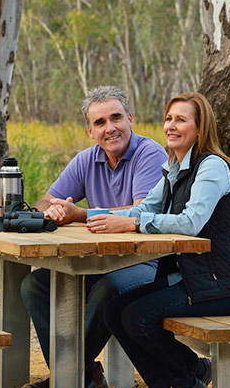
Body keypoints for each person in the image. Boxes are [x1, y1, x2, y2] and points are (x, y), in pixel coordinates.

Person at [87, 92, 230, 388]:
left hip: (222, 285)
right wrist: (96, 216)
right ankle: (193, 373)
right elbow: (143, 208)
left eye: (181, 120)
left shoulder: (212, 167)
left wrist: (134, 224)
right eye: (168, 119)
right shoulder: (173, 170)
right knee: (115, 310)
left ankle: (187, 380)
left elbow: (191, 222)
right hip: (191, 278)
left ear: (200, 129)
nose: (171, 126)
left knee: (138, 317)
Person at [21, 86, 168, 388]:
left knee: (108, 288)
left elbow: (140, 212)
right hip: (98, 262)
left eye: (116, 118)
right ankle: (84, 375)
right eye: (100, 122)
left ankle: (68, 376)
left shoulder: (150, 153)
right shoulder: (86, 159)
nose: (110, 128)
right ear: (90, 130)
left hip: (148, 262)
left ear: (130, 118)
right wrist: (51, 213)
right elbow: (47, 200)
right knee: (34, 285)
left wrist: (79, 214)